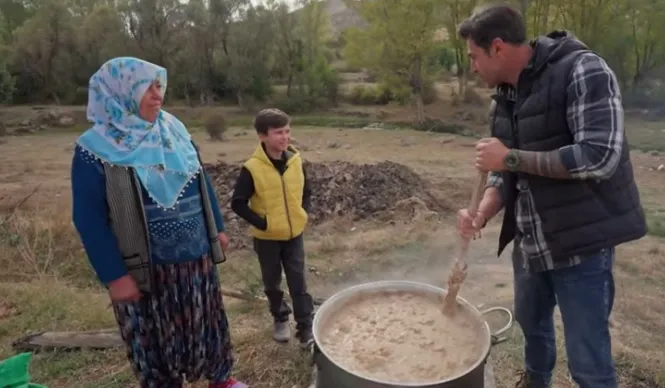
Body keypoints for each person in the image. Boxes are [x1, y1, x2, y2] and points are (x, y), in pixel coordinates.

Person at [455, 5, 646, 388]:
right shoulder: (505, 97)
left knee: (588, 363)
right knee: (534, 333)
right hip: (530, 245)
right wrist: (485, 211)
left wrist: (508, 156)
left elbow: (600, 156)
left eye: (474, 57)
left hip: (581, 247)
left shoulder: (583, 70)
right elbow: (504, 173)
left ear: (496, 48)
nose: (473, 68)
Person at [71, 57, 248, 388]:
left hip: (196, 260)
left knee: (207, 321)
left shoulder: (173, 130)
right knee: (154, 338)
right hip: (147, 271)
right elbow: (88, 219)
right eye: (147, 87)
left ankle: (220, 378)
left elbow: (199, 177)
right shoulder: (95, 149)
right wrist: (115, 276)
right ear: (121, 92)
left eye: (159, 86)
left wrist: (218, 228)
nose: (157, 95)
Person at [230, 108, 314, 349]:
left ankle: (305, 327)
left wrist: (303, 213)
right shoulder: (252, 168)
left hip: (294, 234)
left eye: (287, 131)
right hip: (267, 239)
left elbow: (306, 191)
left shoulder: (296, 161)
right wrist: (263, 223)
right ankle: (280, 318)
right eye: (278, 132)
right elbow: (238, 203)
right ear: (262, 136)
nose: (285, 137)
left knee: (298, 280)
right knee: (272, 282)